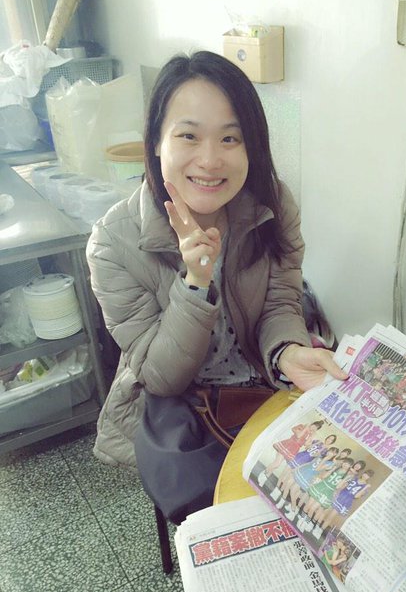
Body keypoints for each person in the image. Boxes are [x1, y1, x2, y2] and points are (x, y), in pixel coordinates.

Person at [86, 50, 346, 522]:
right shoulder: (112, 243)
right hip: (186, 404)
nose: (210, 160)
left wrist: (287, 352)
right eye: (188, 135)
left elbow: (280, 301)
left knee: (331, 493)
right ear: (156, 141)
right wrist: (195, 281)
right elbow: (162, 376)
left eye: (230, 138)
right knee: (220, 512)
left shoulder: (271, 204)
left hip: (264, 376)